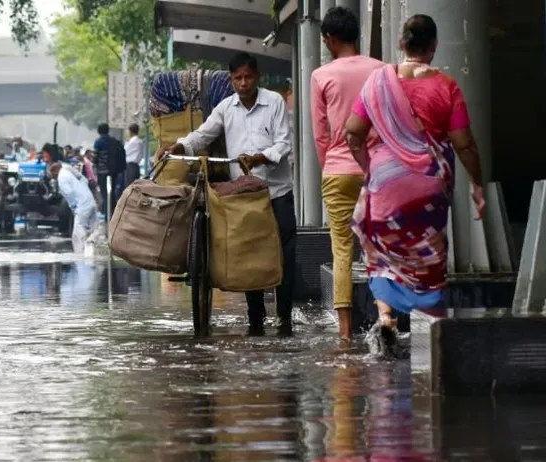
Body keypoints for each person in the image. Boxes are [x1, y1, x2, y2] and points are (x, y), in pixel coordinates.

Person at [344, 14, 485, 334]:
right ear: (433, 46)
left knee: (382, 254)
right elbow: (465, 145)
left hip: (385, 185)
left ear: (400, 43)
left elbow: (352, 133)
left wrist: (371, 169)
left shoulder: (378, 82)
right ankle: (429, 333)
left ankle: (385, 318)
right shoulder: (447, 86)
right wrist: (477, 184)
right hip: (429, 189)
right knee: (428, 256)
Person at [163, 52, 295, 337]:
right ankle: (255, 317)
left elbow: (284, 143)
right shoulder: (225, 108)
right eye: (238, 78)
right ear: (231, 80)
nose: (244, 83)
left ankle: (285, 317)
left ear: (257, 77)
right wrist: (180, 147)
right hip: (245, 195)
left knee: (285, 255)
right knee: (249, 255)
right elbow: (203, 135)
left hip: (277, 191)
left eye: (248, 77)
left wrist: (262, 157)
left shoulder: (274, 102)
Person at [310, 6, 386, 340]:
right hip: (377, 171)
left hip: (339, 171)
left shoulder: (321, 76)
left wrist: (330, 165)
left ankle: (344, 334)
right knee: (380, 247)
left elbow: (320, 133)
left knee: (342, 251)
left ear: (330, 38)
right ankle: (387, 319)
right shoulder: (382, 70)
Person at [49, 162, 101, 254]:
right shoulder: (68, 171)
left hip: (82, 204)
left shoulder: (61, 179)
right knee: (95, 227)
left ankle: (80, 254)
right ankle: (99, 248)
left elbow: (69, 194)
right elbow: (84, 179)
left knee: (78, 231)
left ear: (55, 173)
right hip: (90, 199)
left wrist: (73, 206)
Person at [93, 123, 126, 216]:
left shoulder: (99, 142)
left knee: (104, 193)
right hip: (114, 171)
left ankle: (106, 214)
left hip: (102, 172)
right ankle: (114, 212)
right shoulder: (114, 141)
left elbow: (95, 158)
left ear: (99, 131)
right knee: (112, 192)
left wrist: (95, 166)